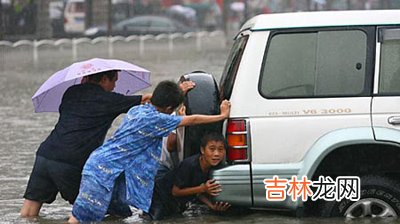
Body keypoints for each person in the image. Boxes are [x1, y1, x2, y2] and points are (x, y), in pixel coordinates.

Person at [68, 80, 231, 223]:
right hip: (102, 171)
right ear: (168, 108)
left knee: (117, 214)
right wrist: (221, 116)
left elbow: (150, 98)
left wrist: (176, 92)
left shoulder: (137, 110)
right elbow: (193, 120)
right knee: (81, 217)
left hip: (110, 168)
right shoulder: (157, 120)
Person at [21, 70, 151, 217]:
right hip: (72, 161)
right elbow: (147, 99)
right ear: (103, 79)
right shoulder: (108, 99)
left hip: (45, 155)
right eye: (114, 80)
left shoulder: (70, 92)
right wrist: (178, 93)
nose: (114, 86)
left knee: (29, 210)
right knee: (95, 210)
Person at [148, 132, 231, 220]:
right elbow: (175, 191)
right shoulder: (189, 165)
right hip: (160, 194)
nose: (216, 154)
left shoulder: (215, 168)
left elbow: (197, 192)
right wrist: (202, 188)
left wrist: (211, 206)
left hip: (177, 200)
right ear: (202, 150)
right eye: (212, 149)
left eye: (220, 149)